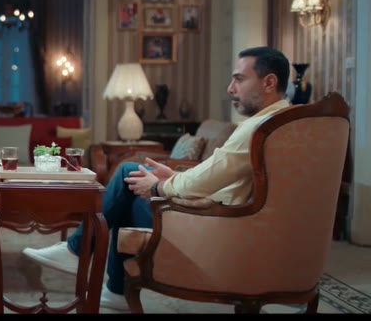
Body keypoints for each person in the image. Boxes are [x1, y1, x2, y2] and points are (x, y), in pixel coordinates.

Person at [22, 46, 291, 311]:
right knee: (130, 185)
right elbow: (219, 174)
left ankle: (79, 252)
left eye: (239, 79)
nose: (231, 89)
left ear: (269, 82)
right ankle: (111, 286)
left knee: (128, 174)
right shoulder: (287, 124)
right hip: (230, 223)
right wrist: (174, 176)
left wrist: (159, 186)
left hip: (211, 231)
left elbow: (212, 177)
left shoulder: (257, 129)